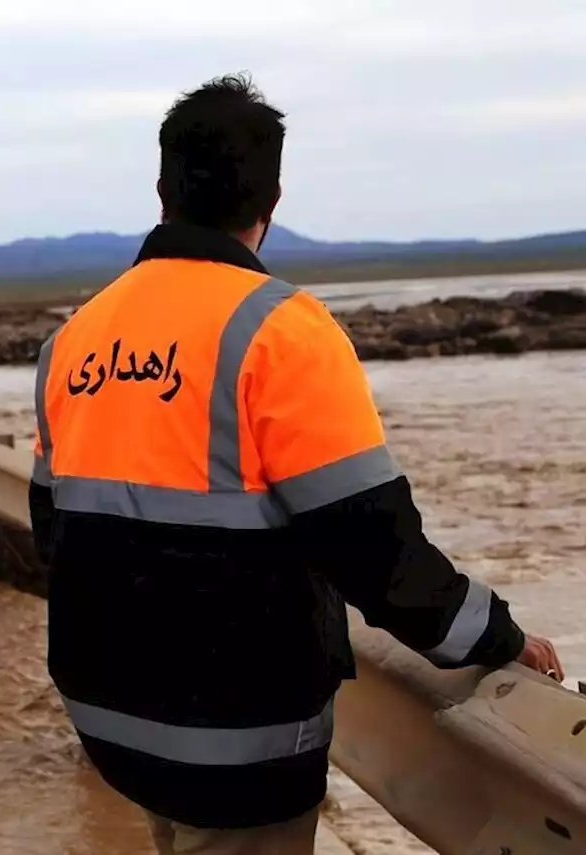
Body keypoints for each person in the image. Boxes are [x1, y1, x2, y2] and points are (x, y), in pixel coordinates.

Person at [28, 73, 563, 855]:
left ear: (162, 190)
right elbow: (375, 551)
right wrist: (498, 636)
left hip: (113, 723)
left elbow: (55, 533)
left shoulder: (73, 339)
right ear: (271, 202)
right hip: (238, 746)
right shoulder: (283, 332)